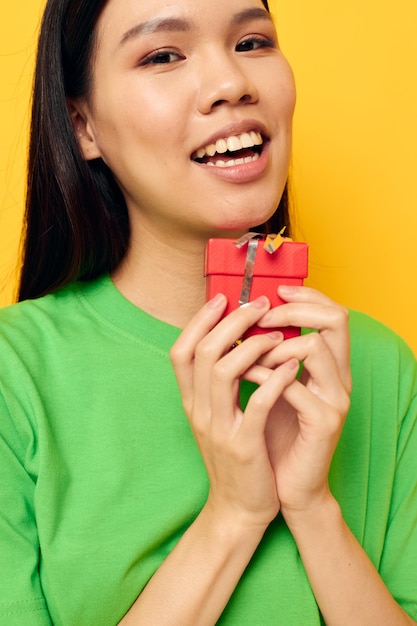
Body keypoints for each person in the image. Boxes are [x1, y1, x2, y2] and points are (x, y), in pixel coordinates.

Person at [0, 0, 416, 624]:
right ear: (82, 126)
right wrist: (234, 515)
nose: (232, 84)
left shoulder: (381, 365)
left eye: (251, 42)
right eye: (162, 55)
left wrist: (312, 508)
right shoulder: (17, 373)